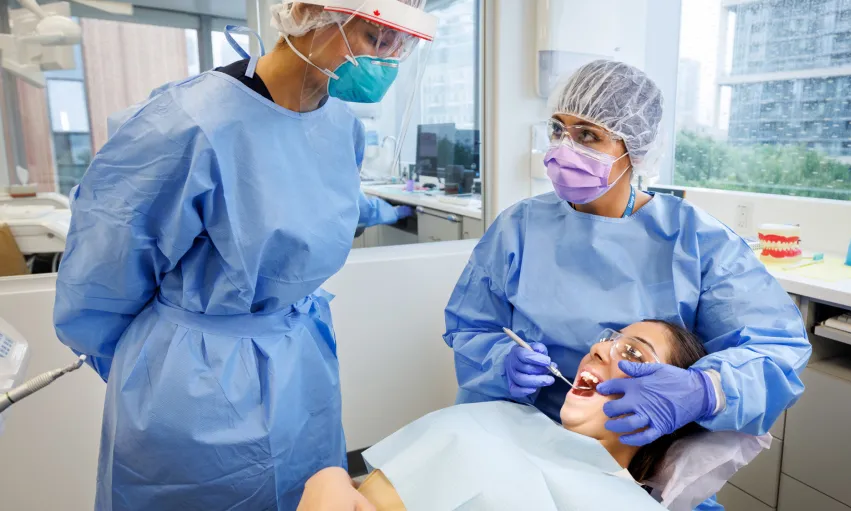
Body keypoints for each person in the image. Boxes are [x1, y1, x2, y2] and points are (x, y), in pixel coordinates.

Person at [53, 1, 437, 510]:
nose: (386, 61)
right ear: (307, 12)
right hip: (193, 388)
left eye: (398, 46)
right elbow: (100, 280)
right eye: (373, 38)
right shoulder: (186, 124)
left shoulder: (342, 129)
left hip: (302, 372)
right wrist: (153, 368)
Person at [442, 60, 811, 511]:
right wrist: (503, 362)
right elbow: (471, 328)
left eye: (588, 135)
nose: (563, 147)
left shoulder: (696, 243)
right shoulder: (518, 229)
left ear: (633, 147)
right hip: (523, 446)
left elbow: (776, 350)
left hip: (634, 470)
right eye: (558, 130)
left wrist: (704, 390)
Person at [303, 321, 725, 510]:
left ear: (670, 407)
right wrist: (330, 479)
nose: (599, 350)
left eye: (633, 354)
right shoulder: (503, 416)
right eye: (607, 340)